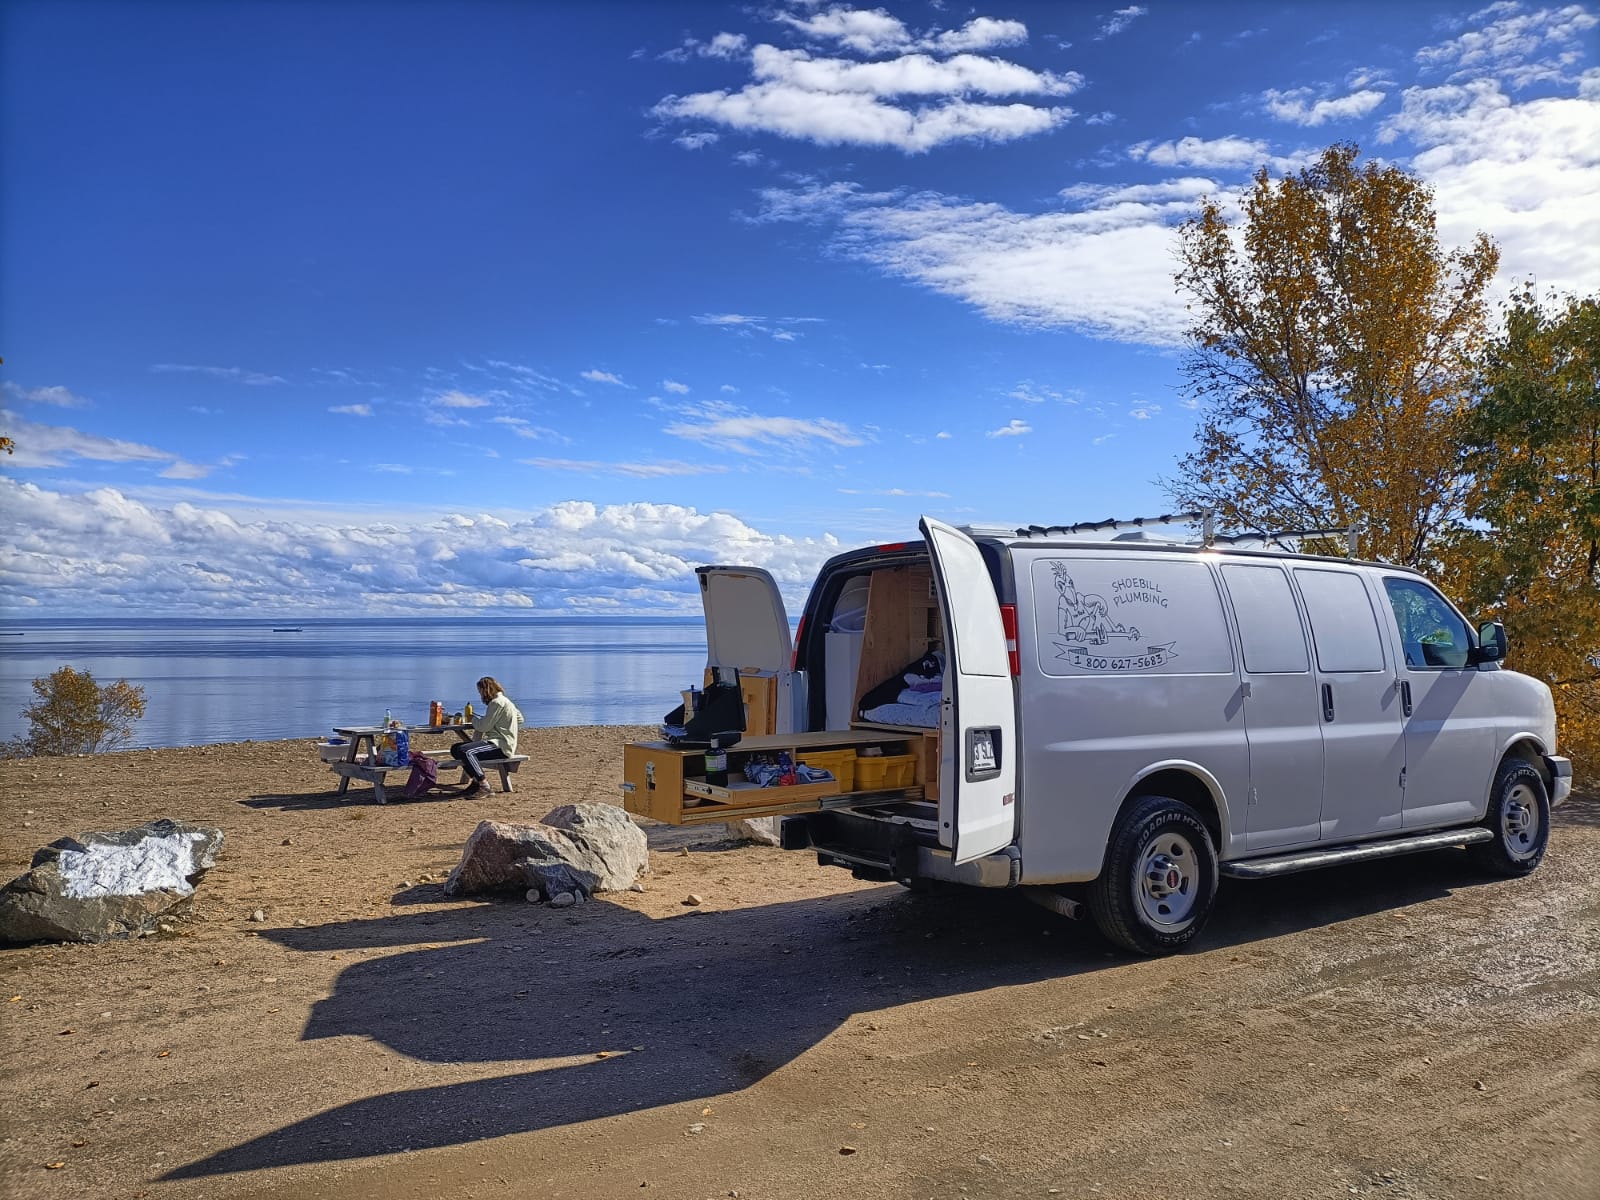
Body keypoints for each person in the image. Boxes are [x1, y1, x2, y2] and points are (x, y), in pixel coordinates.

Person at [450, 676, 522, 798]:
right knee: (456, 748)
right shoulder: (506, 701)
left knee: (466, 752)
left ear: (485, 690)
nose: (481, 696)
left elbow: (483, 727)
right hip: (500, 742)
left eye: (480, 692)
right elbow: (520, 718)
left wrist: (473, 719)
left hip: (500, 745)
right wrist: (501, 721)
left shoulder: (496, 703)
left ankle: (484, 785)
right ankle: (476, 782)